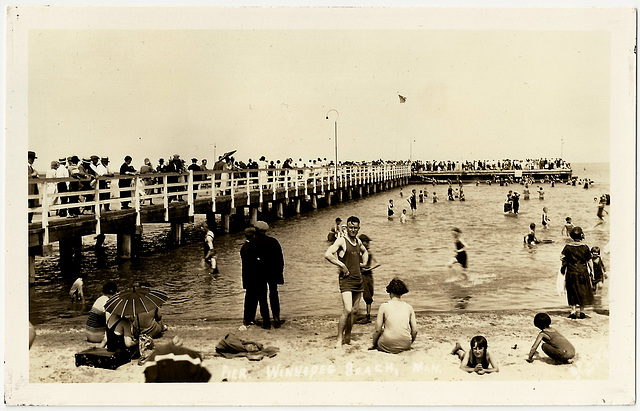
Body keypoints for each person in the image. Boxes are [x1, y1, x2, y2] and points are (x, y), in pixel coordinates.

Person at [325, 216, 368, 347]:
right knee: (347, 309)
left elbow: (365, 251)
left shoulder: (358, 241)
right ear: (347, 227)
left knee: (354, 311)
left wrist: (364, 263)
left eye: (355, 228)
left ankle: (348, 335)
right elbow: (328, 254)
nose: (353, 230)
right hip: (346, 280)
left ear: (359, 228)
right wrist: (341, 266)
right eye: (351, 227)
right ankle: (339, 338)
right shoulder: (341, 241)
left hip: (358, 280)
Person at [369, 278, 417, 354]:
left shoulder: (384, 306)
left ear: (390, 292)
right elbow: (414, 331)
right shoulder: (409, 307)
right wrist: (409, 343)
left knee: (382, 331)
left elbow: (377, 330)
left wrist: (374, 344)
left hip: (387, 344)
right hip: (405, 344)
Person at [253, 221, 285, 328]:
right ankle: (276, 318)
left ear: (256, 230)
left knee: (262, 297)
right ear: (266, 230)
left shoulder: (253, 243)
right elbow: (280, 259)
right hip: (272, 272)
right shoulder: (273, 242)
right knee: (274, 294)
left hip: (259, 273)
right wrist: (279, 273)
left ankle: (266, 321)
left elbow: (250, 261)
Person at [560, 227, 594, 319]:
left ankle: (573, 311)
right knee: (583, 291)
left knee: (572, 291)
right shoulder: (585, 247)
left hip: (571, 271)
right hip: (583, 271)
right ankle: (582, 311)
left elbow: (562, 257)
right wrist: (592, 271)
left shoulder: (567, 247)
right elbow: (589, 261)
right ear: (581, 235)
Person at [241, 227, 270, 328]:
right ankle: (266, 321)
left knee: (249, 299)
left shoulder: (244, 247)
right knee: (262, 300)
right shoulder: (254, 247)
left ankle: (248, 319)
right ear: (254, 235)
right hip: (258, 277)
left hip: (248, 278)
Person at [358, 234, 378, 324]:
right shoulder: (363, 252)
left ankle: (367, 315)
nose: (368, 244)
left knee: (367, 295)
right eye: (367, 242)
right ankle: (364, 314)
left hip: (365, 275)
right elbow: (378, 263)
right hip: (365, 274)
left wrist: (369, 268)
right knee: (364, 295)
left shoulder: (364, 253)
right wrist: (369, 268)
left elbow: (378, 263)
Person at [28, 151, 39, 223]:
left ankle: (29, 221)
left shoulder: (30, 167)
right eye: (32, 159)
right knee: (28, 206)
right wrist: (33, 174)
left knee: (31, 206)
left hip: (32, 190)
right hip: (29, 190)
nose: (33, 161)